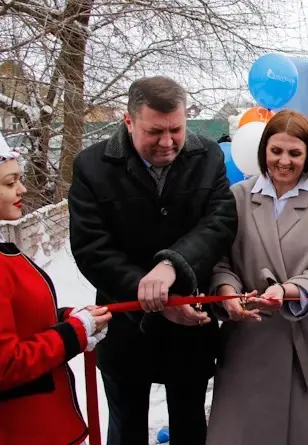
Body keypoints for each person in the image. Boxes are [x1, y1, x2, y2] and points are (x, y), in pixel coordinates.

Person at [68, 76, 238, 445]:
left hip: (191, 330)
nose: (167, 142)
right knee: (126, 429)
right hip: (126, 329)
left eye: (176, 129)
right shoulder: (91, 166)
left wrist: (173, 265)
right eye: (155, 131)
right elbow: (90, 248)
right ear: (128, 122)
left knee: (190, 427)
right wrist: (152, 298)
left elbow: (220, 222)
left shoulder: (208, 155)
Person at [206, 110, 308, 445]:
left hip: (301, 342)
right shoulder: (237, 197)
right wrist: (227, 291)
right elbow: (220, 259)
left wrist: (289, 290)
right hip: (245, 339)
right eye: (276, 151)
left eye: (295, 153)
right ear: (263, 151)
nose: (284, 161)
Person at [0, 134, 111, 445]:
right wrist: (73, 332)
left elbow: (19, 321)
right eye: (10, 183)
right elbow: (6, 364)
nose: (22, 190)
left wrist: (68, 319)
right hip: (22, 428)